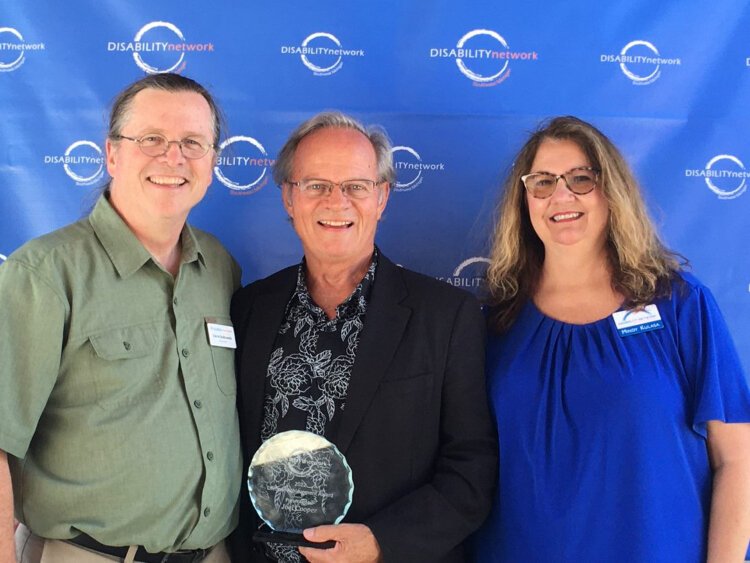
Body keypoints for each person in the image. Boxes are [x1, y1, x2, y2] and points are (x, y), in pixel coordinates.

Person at [472, 116, 750, 562]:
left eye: (581, 179)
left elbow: (737, 461)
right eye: (542, 182)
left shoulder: (680, 304)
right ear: (524, 200)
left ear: (612, 191)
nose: (561, 196)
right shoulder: (496, 321)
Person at [230, 111, 497, 563]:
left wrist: (380, 541)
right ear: (289, 199)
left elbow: (472, 469)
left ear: (382, 198)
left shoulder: (446, 316)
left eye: (356, 186)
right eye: (316, 185)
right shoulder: (248, 308)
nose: (337, 202)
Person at [0, 73, 242, 563]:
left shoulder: (219, 267)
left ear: (213, 162)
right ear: (112, 154)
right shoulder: (44, 275)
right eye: (151, 139)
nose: (173, 157)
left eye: (192, 142)